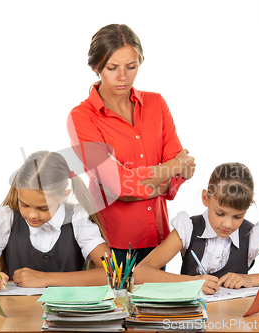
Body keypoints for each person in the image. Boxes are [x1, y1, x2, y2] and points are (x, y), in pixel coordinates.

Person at [67, 23, 196, 266]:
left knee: (154, 305)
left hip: (157, 240)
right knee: (113, 303)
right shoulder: (81, 117)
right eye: (112, 68)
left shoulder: (157, 104)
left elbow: (183, 169)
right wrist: (170, 169)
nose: (122, 76)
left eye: (131, 66)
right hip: (110, 241)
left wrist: (129, 190)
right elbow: (116, 184)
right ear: (96, 67)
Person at [134, 162, 259, 295]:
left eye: (237, 217)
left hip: (234, 321)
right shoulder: (188, 229)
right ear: (206, 199)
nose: (227, 224)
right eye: (220, 213)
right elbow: (140, 273)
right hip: (191, 318)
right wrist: (192, 282)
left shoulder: (253, 235)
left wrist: (251, 279)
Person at [0, 150, 111, 291]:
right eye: (24, 205)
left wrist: (46, 278)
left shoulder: (78, 218)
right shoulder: (5, 218)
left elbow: (111, 273)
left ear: (63, 196)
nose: (32, 215)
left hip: (66, 311)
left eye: (43, 208)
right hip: (16, 311)